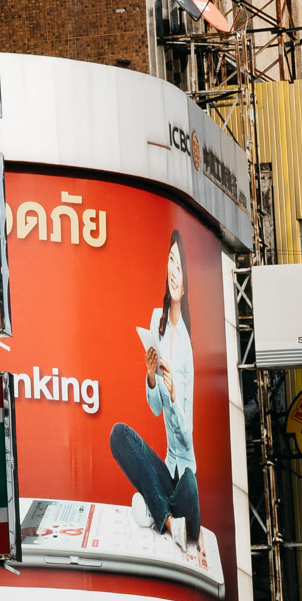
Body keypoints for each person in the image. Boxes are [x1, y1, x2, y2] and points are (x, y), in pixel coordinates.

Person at [108, 228, 202, 559]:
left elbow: (186, 436)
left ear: (186, 282)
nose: (173, 271)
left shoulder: (187, 349)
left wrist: (174, 393)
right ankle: (165, 519)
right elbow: (154, 409)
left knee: (186, 483)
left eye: (180, 266)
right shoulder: (157, 322)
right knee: (119, 434)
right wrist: (151, 377)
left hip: (184, 479)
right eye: (170, 261)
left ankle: (155, 511)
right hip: (165, 472)